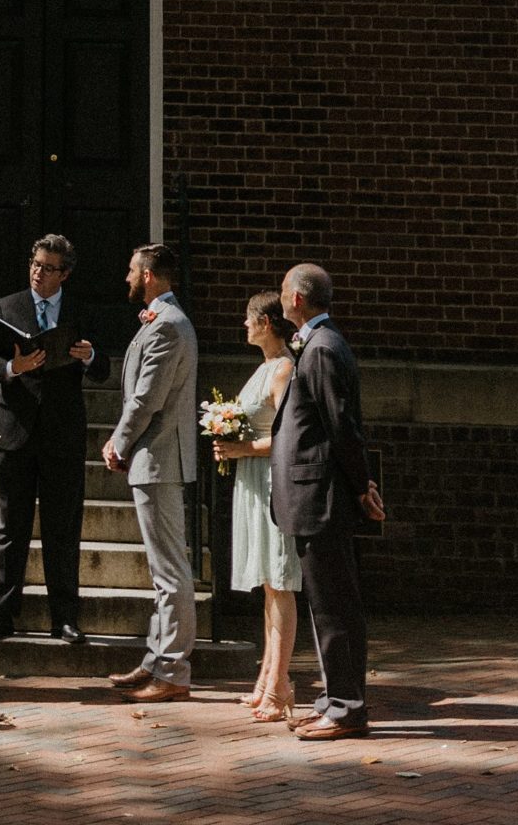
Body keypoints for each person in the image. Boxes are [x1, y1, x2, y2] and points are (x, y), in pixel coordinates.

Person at [270, 262, 386, 742]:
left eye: (282, 292)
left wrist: (363, 485)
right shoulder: (319, 344)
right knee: (327, 604)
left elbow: (342, 428)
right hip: (316, 495)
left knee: (335, 606)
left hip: (323, 496)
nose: (279, 299)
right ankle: (334, 701)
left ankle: (346, 707)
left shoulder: (321, 350)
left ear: (298, 298)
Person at [0, 232, 110, 647]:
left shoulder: (81, 311)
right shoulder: (7, 306)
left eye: (48, 268)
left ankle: (65, 619)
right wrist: (13, 367)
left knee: (62, 529)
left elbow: (103, 368)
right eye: (35, 264)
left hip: (62, 433)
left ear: (64, 274)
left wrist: (87, 356)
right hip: (14, 428)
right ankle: (2, 615)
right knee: (9, 529)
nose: (38, 273)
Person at [101, 241, 198, 704]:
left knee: (170, 571)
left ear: (150, 276)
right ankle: (156, 659)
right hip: (153, 458)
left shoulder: (169, 327)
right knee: (162, 571)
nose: (126, 278)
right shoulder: (162, 321)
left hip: (158, 458)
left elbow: (147, 398)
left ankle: (174, 670)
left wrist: (118, 441)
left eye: (132, 270)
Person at [210, 293, 301, 723]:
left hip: (271, 484)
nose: (243, 325)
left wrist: (239, 447)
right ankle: (266, 679)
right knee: (268, 584)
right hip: (251, 480)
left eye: (248, 319)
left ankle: (281, 686)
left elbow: (288, 438)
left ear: (266, 322)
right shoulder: (264, 367)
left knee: (280, 581)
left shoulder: (284, 369)